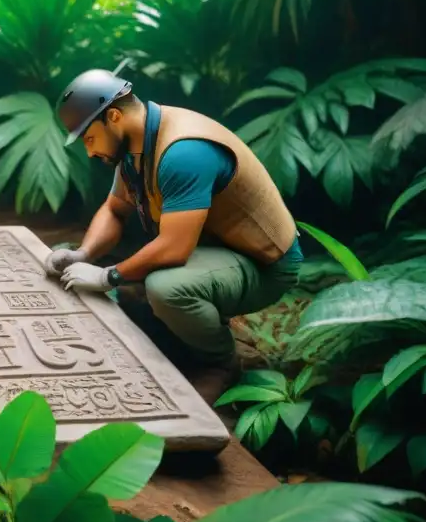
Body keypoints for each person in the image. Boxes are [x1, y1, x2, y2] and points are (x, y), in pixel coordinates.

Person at [46, 69, 303, 387]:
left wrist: (106, 275)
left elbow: (174, 248)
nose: (89, 151)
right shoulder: (134, 146)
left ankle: (219, 363)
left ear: (113, 116)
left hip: (263, 264)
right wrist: (82, 255)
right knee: (68, 256)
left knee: (167, 286)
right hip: (206, 249)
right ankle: (165, 318)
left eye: (89, 138)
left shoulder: (183, 152)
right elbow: (114, 209)